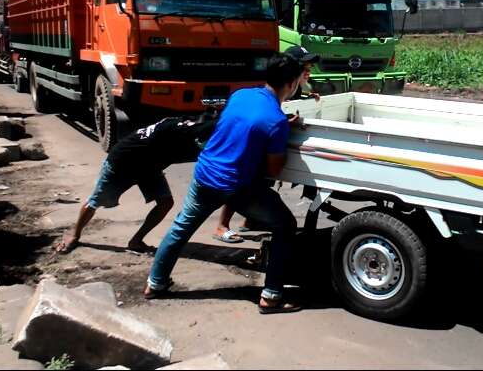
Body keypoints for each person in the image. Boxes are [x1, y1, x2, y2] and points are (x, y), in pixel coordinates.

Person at [144, 54, 305, 313]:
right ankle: (271, 296)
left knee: (181, 228)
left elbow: (243, 124)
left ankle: (155, 283)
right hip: (237, 186)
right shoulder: (276, 121)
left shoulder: (241, 95)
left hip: (204, 173)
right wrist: (283, 136)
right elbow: (275, 169)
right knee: (285, 225)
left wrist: (278, 127)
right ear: (292, 82)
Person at [54, 111, 219, 255]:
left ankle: (136, 241)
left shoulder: (183, 123)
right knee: (95, 202)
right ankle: (74, 235)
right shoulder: (176, 129)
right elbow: (204, 128)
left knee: (165, 202)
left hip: (149, 168)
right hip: (121, 166)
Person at [213, 46, 319, 242]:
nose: (308, 70)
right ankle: (222, 225)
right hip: (250, 149)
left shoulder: (298, 88)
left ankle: (249, 221)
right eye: (305, 66)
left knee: (260, 181)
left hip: (269, 141)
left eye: (310, 66)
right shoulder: (278, 87)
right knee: (245, 179)